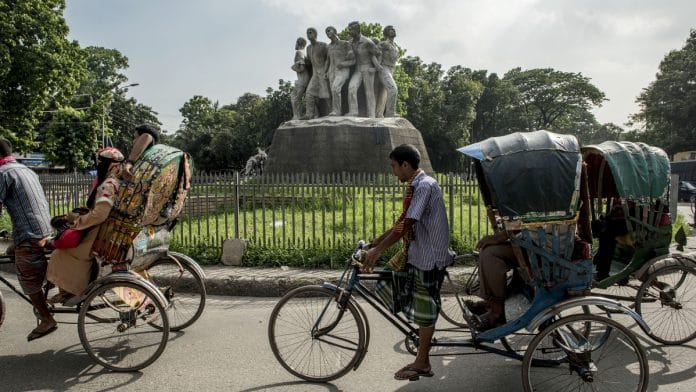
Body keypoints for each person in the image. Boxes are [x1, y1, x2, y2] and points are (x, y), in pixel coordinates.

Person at [362, 144, 454, 381]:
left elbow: (408, 223)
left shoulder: (424, 186)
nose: (393, 172)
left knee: (425, 309)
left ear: (405, 165)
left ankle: (422, 361)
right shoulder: (416, 186)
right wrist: (375, 242)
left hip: (428, 257)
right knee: (387, 281)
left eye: (394, 166)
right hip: (417, 253)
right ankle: (418, 331)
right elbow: (401, 223)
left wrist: (377, 251)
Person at [46, 147, 125, 303]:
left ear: (108, 165)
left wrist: (77, 220)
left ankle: (70, 291)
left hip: (98, 234)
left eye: (100, 163)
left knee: (60, 253)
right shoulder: (119, 181)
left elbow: (99, 215)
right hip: (109, 230)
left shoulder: (109, 184)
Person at [0, 137, 55, 341]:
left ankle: (46, 317)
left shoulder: (2, 173)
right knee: (10, 252)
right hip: (43, 228)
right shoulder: (26, 170)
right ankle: (43, 284)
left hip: (29, 234)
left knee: (27, 278)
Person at [346, 21, 382, 118]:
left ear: (357, 30)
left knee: (369, 92)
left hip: (367, 68)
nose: (349, 32)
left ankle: (371, 115)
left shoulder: (367, 42)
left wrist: (375, 68)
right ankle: (353, 112)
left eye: (351, 30)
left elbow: (378, 54)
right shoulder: (351, 42)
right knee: (351, 88)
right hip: (358, 69)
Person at [325, 26, 355, 116]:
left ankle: (337, 112)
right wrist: (325, 71)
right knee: (333, 91)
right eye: (326, 32)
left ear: (335, 31)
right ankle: (335, 110)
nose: (327, 33)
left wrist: (343, 64)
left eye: (329, 30)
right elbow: (327, 60)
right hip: (331, 72)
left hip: (342, 71)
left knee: (335, 88)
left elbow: (353, 60)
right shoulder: (328, 47)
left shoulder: (345, 44)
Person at [303, 27, 330, 119]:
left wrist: (327, 71)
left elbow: (329, 58)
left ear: (315, 34)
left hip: (323, 72)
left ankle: (333, 112)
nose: (308, 35)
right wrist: (304, 62)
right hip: (315, 74)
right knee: (309, 93)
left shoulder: (323, 45)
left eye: (310, 32)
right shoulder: (308, 48)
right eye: (307, 33)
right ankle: (309, 114)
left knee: (326, 95)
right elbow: (309, 61)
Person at [375, 25, 399, 118]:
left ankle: (379, 114)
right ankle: (390, 113)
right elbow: (374, 53)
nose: (393, 30)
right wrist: (377, 65)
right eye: (390, 30)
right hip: (384, 68)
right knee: (393, 89)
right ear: (386, 33)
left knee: (383, 92)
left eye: (393, 29)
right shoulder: (383, 43)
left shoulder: (395, 45)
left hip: (392, 69)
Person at [290, 37, 310, 120]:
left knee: (294, 97)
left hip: (302, 79)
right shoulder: (304, 53)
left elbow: (302, 68)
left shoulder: (299, 52)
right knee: (301, 97)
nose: (295, 44)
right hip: (305, 79)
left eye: (296, 42)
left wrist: (294, 67)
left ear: (299, 43)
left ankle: (297, 116)